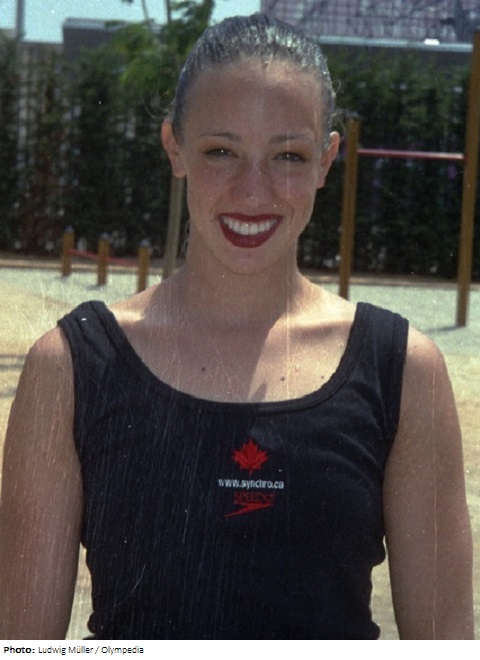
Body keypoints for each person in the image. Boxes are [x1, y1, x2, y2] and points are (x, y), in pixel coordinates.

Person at [0, 13, 474, 640]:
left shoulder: (404, 373)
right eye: (221, 151)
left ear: (327, 159)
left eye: (288, 155)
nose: (253, 190)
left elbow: (444, 646)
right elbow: (23, 648)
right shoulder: (68, 368)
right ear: (175, 147)